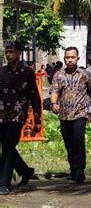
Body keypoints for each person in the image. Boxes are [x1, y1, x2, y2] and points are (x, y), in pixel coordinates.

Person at [51, 47, 91, 183]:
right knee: (69, 143)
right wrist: (54, 103)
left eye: (73, 57)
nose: (70, 60)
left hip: (80, 113)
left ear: (78, 58)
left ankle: (79, 170)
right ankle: (73, 168)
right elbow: (55, 91)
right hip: (64, 115)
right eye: (68, 57)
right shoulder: (58, 75)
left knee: (78, 140)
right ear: (64, 58)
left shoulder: (85, 74)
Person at [0, 41, 41, 195]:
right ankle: (26, 170)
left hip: (18, 115)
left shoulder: (28, 73)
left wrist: (37, 119)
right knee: (6, 147)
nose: (9, 55)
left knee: (9, 147)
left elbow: (34, 96)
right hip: (1, 115)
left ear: (19, 53)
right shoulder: (1, 71)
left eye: (11, 52)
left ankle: (3, 183)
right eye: (7, 52)